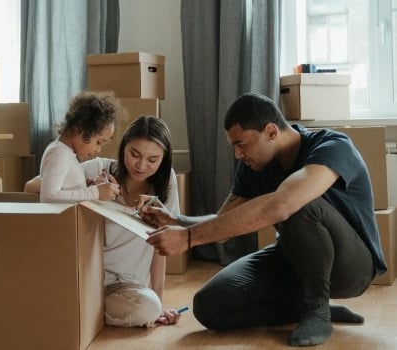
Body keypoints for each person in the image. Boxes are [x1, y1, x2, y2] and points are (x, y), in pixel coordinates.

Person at [143, 92, 386, 346]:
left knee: (297, 203)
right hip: (294, 260)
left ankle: (317, 311)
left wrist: (188, 238)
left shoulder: (333, 146)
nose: (237, 155)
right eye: (234, 147)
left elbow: (283, 204)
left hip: (352, 268)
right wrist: (176, 222)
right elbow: (223, 224)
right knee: (209, 306)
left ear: (271, 131)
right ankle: (304, 308)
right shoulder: (252, 166)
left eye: (242, 144)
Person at [27, 115, 183, 327]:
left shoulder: (167, 185)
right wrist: (89, 189)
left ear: (163, 159)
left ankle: (79, 311)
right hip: (86, 277)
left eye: (153, 160)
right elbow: (32, 186)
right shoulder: (99, 169)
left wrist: (159, 302)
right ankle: (80, 309)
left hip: (126, 287)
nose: (141, 165)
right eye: (134, 154)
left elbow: (161, 245)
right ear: (123, 147)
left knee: (149, 308)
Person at [38, 91, 122, 203]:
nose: (98, 149)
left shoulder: (66, 153)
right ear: (80, 129)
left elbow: (66, 191)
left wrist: (86, 188)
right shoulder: (59, 154)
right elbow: (48, 198)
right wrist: (95, 192)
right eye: (98, 142)